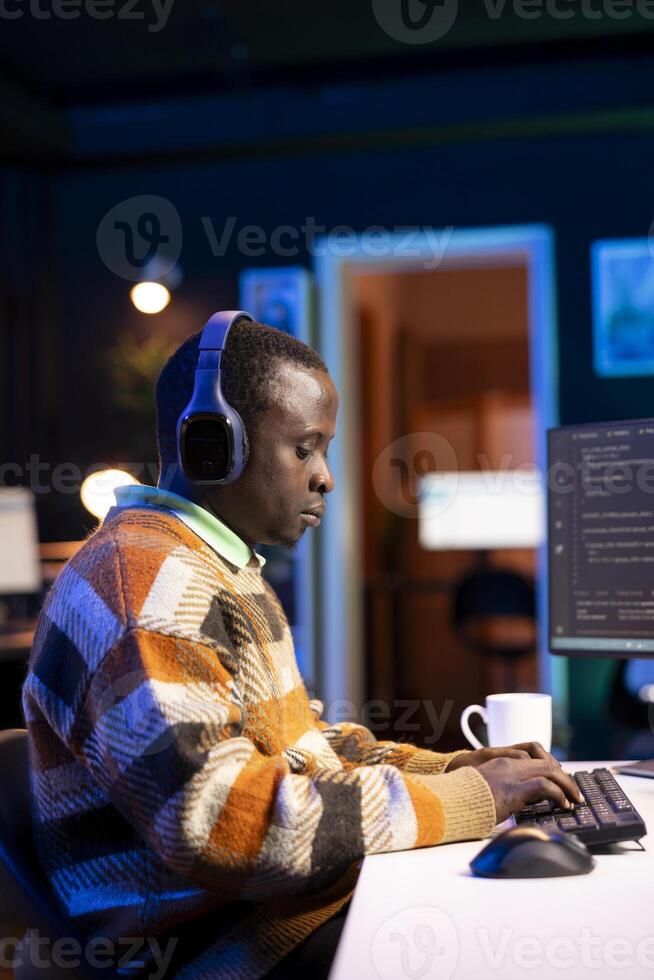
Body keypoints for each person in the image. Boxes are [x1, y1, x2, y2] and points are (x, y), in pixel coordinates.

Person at [22, 316, 582, 980]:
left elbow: (304, 749)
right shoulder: (147, 584)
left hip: (278, 917)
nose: (327, 479)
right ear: (213, 446)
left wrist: (460, 769)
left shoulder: (216, 568)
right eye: (305, 448)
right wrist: (472, 799)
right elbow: (221, 821)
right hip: (223, 950)